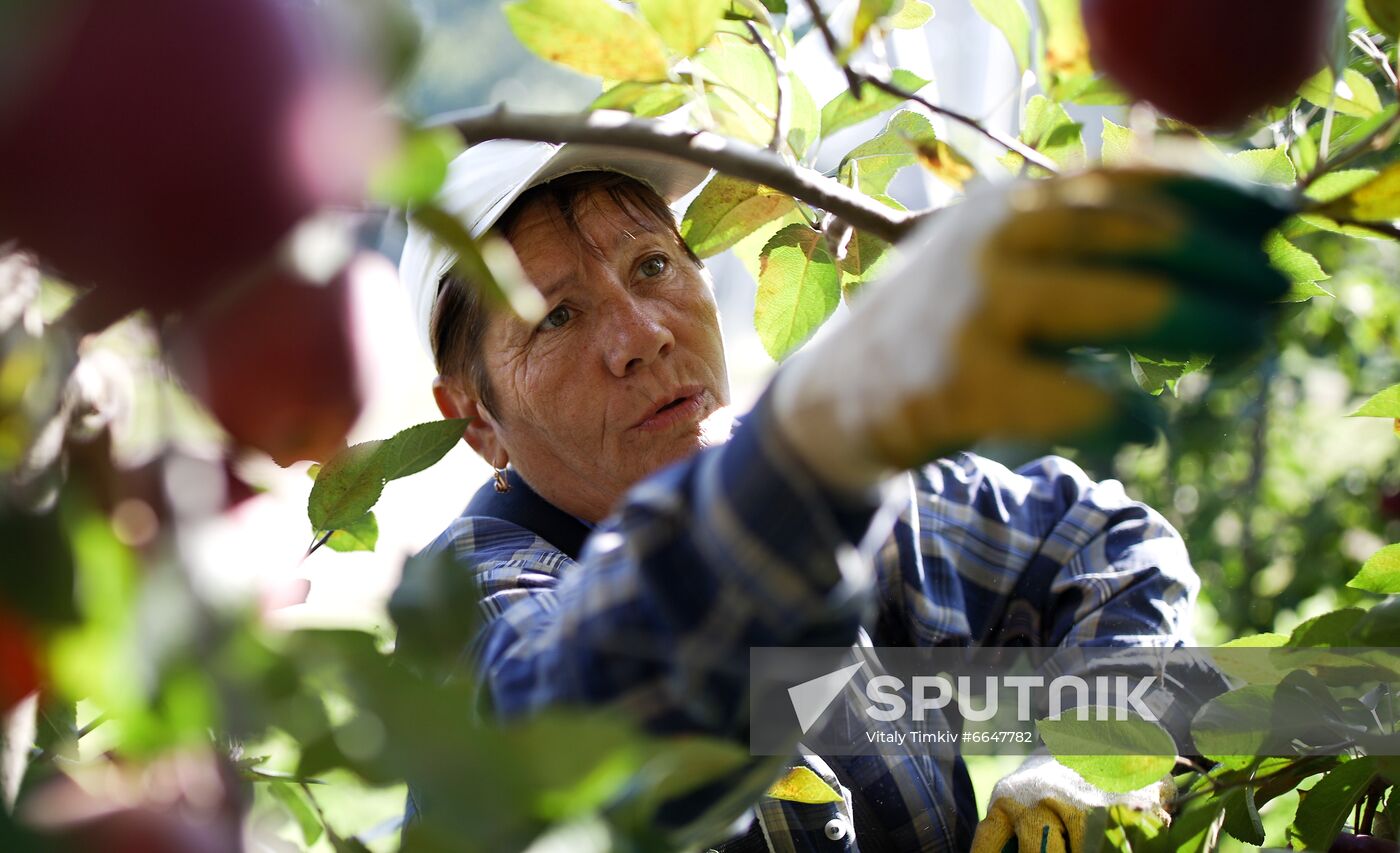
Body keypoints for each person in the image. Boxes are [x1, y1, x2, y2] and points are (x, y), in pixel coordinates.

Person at [395, 139, 1284, 852]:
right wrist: (808, 455)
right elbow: (587, 720)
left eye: (654, 265)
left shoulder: (815, 485)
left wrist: (1089, 755)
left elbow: (1107, 547)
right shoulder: (474, 600)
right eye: (555, 315)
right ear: (476, 417)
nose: (641, 336)